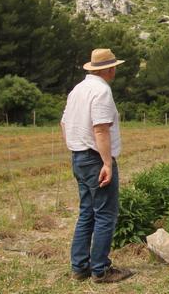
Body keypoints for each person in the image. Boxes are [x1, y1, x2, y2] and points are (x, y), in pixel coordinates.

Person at [60, 48, 134, 283]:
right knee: (105, 214)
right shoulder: (102, 91)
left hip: (79, 157)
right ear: (110, 69)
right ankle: (100, 270)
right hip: (95, 159)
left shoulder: (77, 90)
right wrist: (107, 163)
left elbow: (64, 123)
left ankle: (80, 267)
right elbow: (101, 129)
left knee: (87, 212)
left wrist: (75, 146)